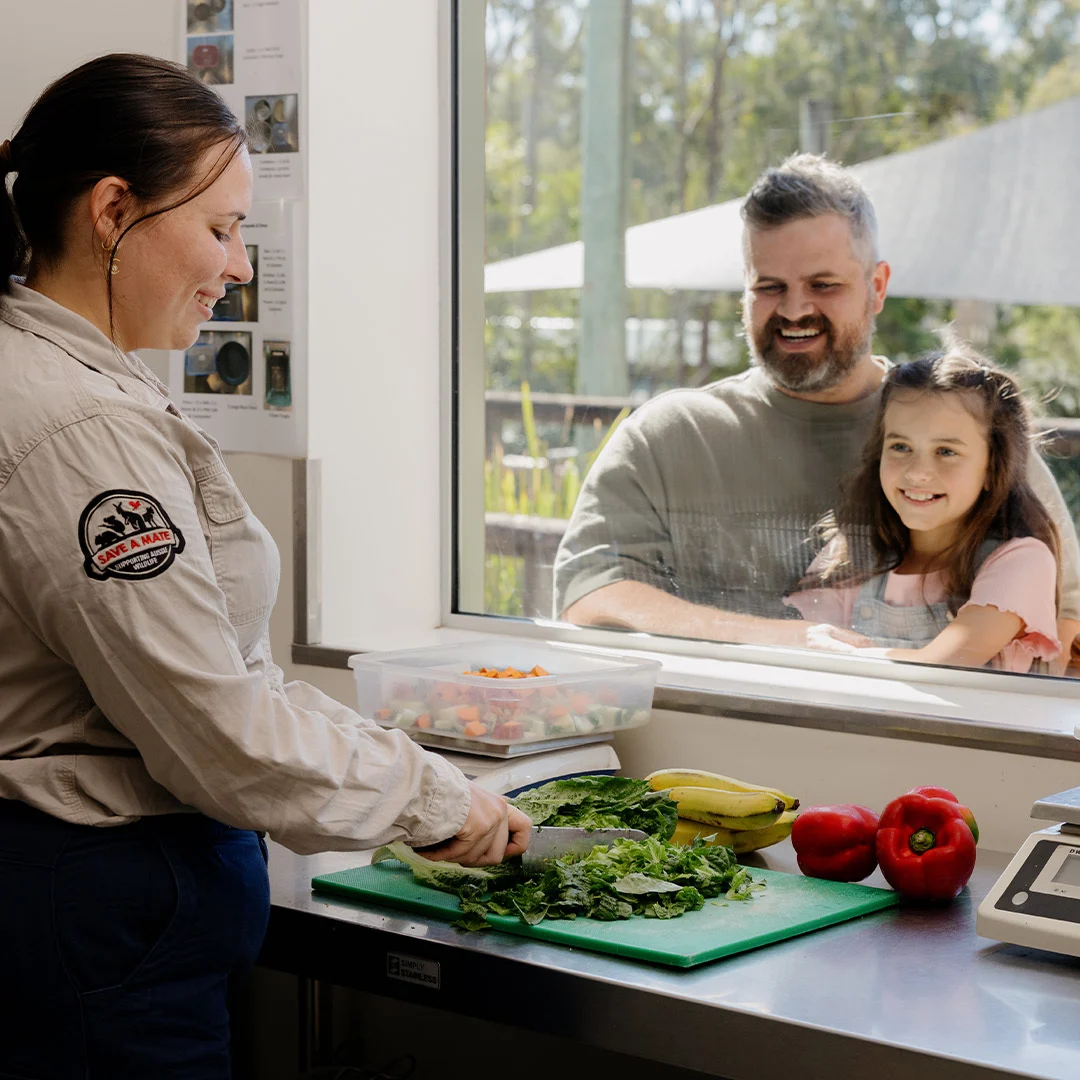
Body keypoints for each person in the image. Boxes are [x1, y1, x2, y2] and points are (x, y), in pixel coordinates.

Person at [0, 54, 530, 1078]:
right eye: (222, 227)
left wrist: (410, 771)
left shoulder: (59, 378)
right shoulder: (78, 429)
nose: (239, 266)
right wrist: (436, 803)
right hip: (96, 923)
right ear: (113, 211)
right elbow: (216, 727)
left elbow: (220, 669)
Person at [553, 153, 1080, 664]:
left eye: (823, 285)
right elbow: (590, 597)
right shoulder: (667, 436)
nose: (795, 309)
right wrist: (780, 641)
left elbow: (1068, 618)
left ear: (877, 288)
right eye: (769, 286)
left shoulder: (968, 426)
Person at [785, 341, 1061, 672]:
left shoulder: (1022, 561)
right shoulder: (851, 552)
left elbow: (939, 667)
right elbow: (801, 657)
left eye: (946, 451)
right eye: (901, 446)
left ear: (991, 469)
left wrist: (836, 655)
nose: (917, 472)